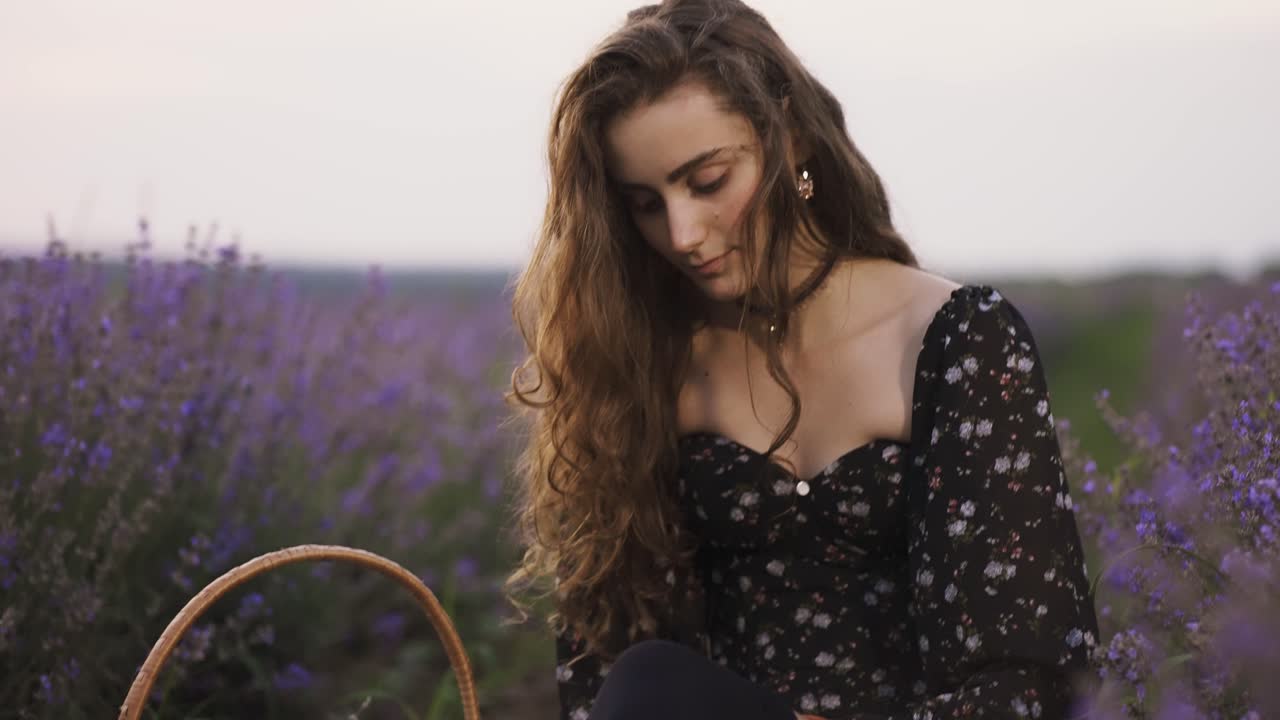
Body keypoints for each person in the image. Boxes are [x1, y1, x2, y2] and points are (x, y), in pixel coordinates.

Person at [500, 1, 1100, 718]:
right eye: (645, 203)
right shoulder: (647, 365)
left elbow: (1026, 677)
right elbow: (601, 666)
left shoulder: (952, 338)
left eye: (708, 180)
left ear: (791, 140)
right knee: (646, 677)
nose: (683, 233)